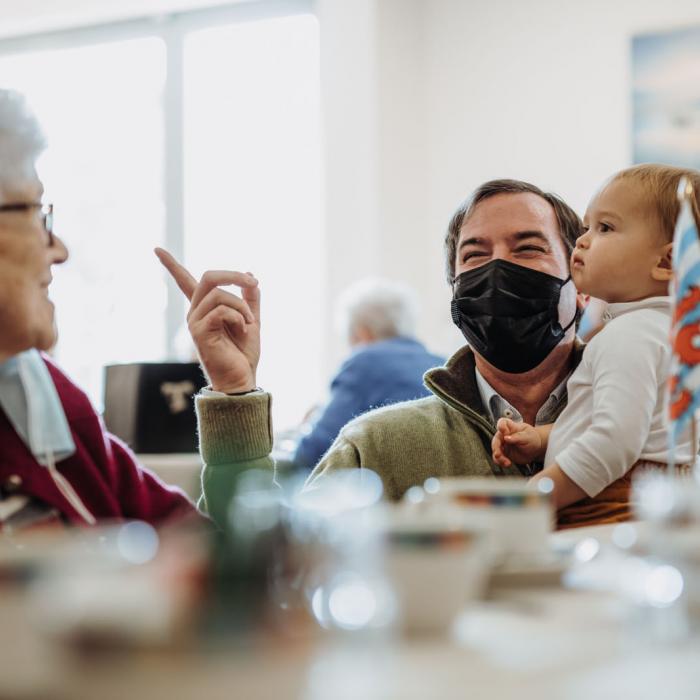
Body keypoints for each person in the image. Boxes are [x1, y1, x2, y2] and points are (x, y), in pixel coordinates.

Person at [160, 179, 612, 529]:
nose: (498, 270)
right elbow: (262, 571)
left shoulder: (648, 421)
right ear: (455, 294)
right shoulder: (376, 447)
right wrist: (235, 392)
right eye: (474, 258)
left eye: (528, 248)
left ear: (584, 287)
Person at [0, 89, 198, 530]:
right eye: (37, 213)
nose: (60, 250)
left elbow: (188, 539)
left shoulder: (42, 389)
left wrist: (233, 393)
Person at [492, 165, 700, 524]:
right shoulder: (674, 336)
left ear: (667, 261)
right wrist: (542, 439)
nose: (583, 240)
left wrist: (531, 498)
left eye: (605, 227)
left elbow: (616, 440)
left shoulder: (628, 335)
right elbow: (640, 424)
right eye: (587, 226)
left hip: (611, 509)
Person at [293, 278, 444, 469]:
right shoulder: (442, 364)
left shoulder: (364, 361)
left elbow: (313, 453)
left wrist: (309, 424)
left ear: (361, 334)